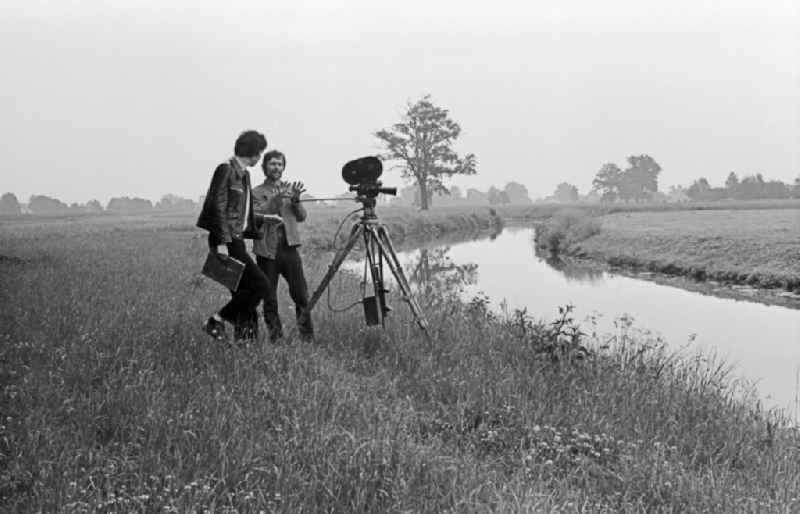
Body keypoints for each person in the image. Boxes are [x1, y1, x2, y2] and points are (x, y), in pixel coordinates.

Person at [196, 130, 270, 342]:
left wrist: (264, 220)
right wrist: (221, 242)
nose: (260, 157)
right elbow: (217, 206)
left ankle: (246, 343)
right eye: (260, 152)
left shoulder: (244, 175)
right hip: (227, 240)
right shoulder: (226, 170)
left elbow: (244, 213)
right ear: (254, 152)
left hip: (235, 238)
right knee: (260, 285)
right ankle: (216, 320)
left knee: (244, 293)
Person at [252, 150, 314, 342]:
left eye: (279, 164)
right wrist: (275, 200)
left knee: (301, 296)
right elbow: (255, 217)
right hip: (266, 252)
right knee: (270, 300)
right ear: (265, 167)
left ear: (283, 167)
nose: (276, 167)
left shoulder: (290, 190)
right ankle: (276, 339)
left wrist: (295, 201)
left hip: (290, 249)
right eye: (272, 164)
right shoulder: (256, 192)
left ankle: (307, 338)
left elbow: (302, 217)